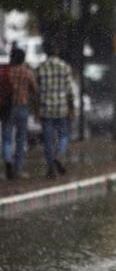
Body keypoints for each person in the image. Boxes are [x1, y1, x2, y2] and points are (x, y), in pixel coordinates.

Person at [36, 40, 75, 179]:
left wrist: (36, 110)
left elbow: (37, 91)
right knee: (64, 135)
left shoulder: (41, 68)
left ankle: (51, 168)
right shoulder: (65, 67)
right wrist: (72, 108)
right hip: (61, 108)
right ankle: (59, 155)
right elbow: (70, 91)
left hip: (46, 108)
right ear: (57, 51)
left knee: (48, 139)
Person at [2, 48, 38, 180]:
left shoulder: (6, 72)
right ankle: (18, 170)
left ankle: (7, 159)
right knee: (20, 139)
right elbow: (35, 89)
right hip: (22, 106)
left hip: (7, 107)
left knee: (6, 138)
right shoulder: (27, 72)